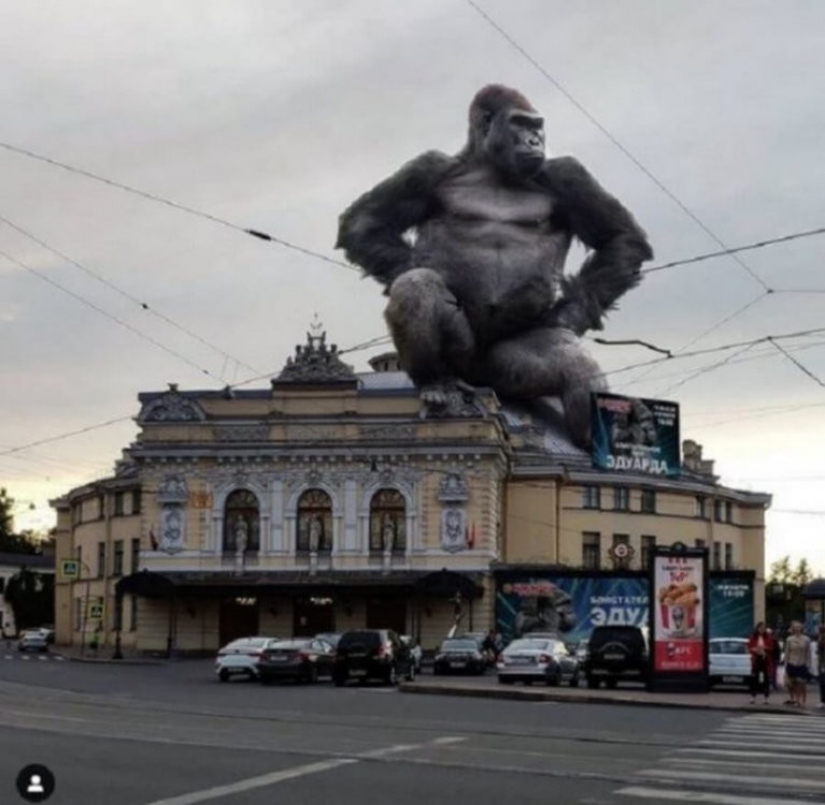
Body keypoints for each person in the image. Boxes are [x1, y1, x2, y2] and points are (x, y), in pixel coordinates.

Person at [783, 621, 812, 707]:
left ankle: (802, 700)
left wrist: (808, 664)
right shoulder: (789, 639)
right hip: (792, 663)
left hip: (802, 663)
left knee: (802, 683)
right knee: (793, 683)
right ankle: (796, 699)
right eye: (795, 627)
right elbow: (787, 652)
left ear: (801, 628)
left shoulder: (806, 639)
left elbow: (808, 653)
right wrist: (785, 665)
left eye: (799, 627)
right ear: (793, 629)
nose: (797, 629)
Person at [747, 622, 775, 704]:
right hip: (756, 659)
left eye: (763, 628)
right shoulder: (753, 637)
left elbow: (772, 648)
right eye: (760, 628)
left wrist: (765, 649)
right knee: (754, 678)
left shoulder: (768, 638)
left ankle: (766, 698)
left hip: (765, 659)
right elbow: (750, 647)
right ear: (757, 628)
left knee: (765, 679)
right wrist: (755, 650)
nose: (762, 629)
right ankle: (753, 696)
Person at [817, 624, 825, 709]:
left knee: (823, 682)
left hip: (823, 663)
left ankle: (823, 701)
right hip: (822, 663)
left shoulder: (822, 638)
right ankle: (822, 700)